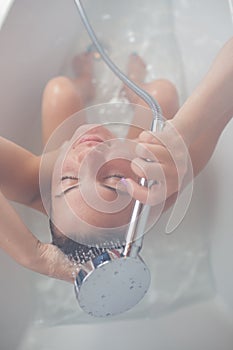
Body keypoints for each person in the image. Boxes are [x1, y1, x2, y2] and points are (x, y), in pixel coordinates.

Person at [0, 37, 232, 282]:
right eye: (113, 180)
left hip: (64, 152)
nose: (90, 155)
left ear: (44, 193)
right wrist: (185, 130)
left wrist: (35, 255)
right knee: (161, 93)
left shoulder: (38, 181)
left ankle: (84, 85)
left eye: (69, 180)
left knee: (60, 91)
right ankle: (135, 88)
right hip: (132, 158)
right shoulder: (165, 187)